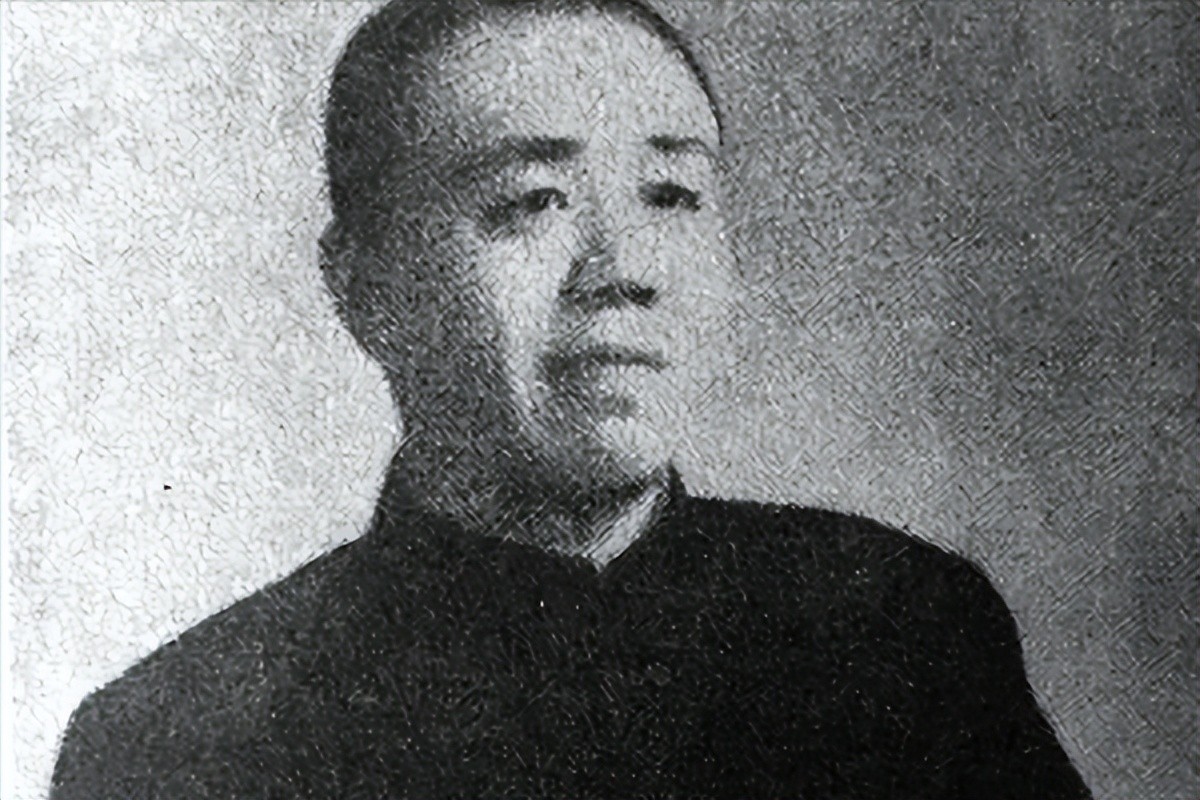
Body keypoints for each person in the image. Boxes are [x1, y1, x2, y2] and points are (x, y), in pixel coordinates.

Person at [51, 1, 1092, 797]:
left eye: (672, 194)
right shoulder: (181, 740)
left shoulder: (903, 627)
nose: (624, 270)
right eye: (532, 202)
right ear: (366, 288)